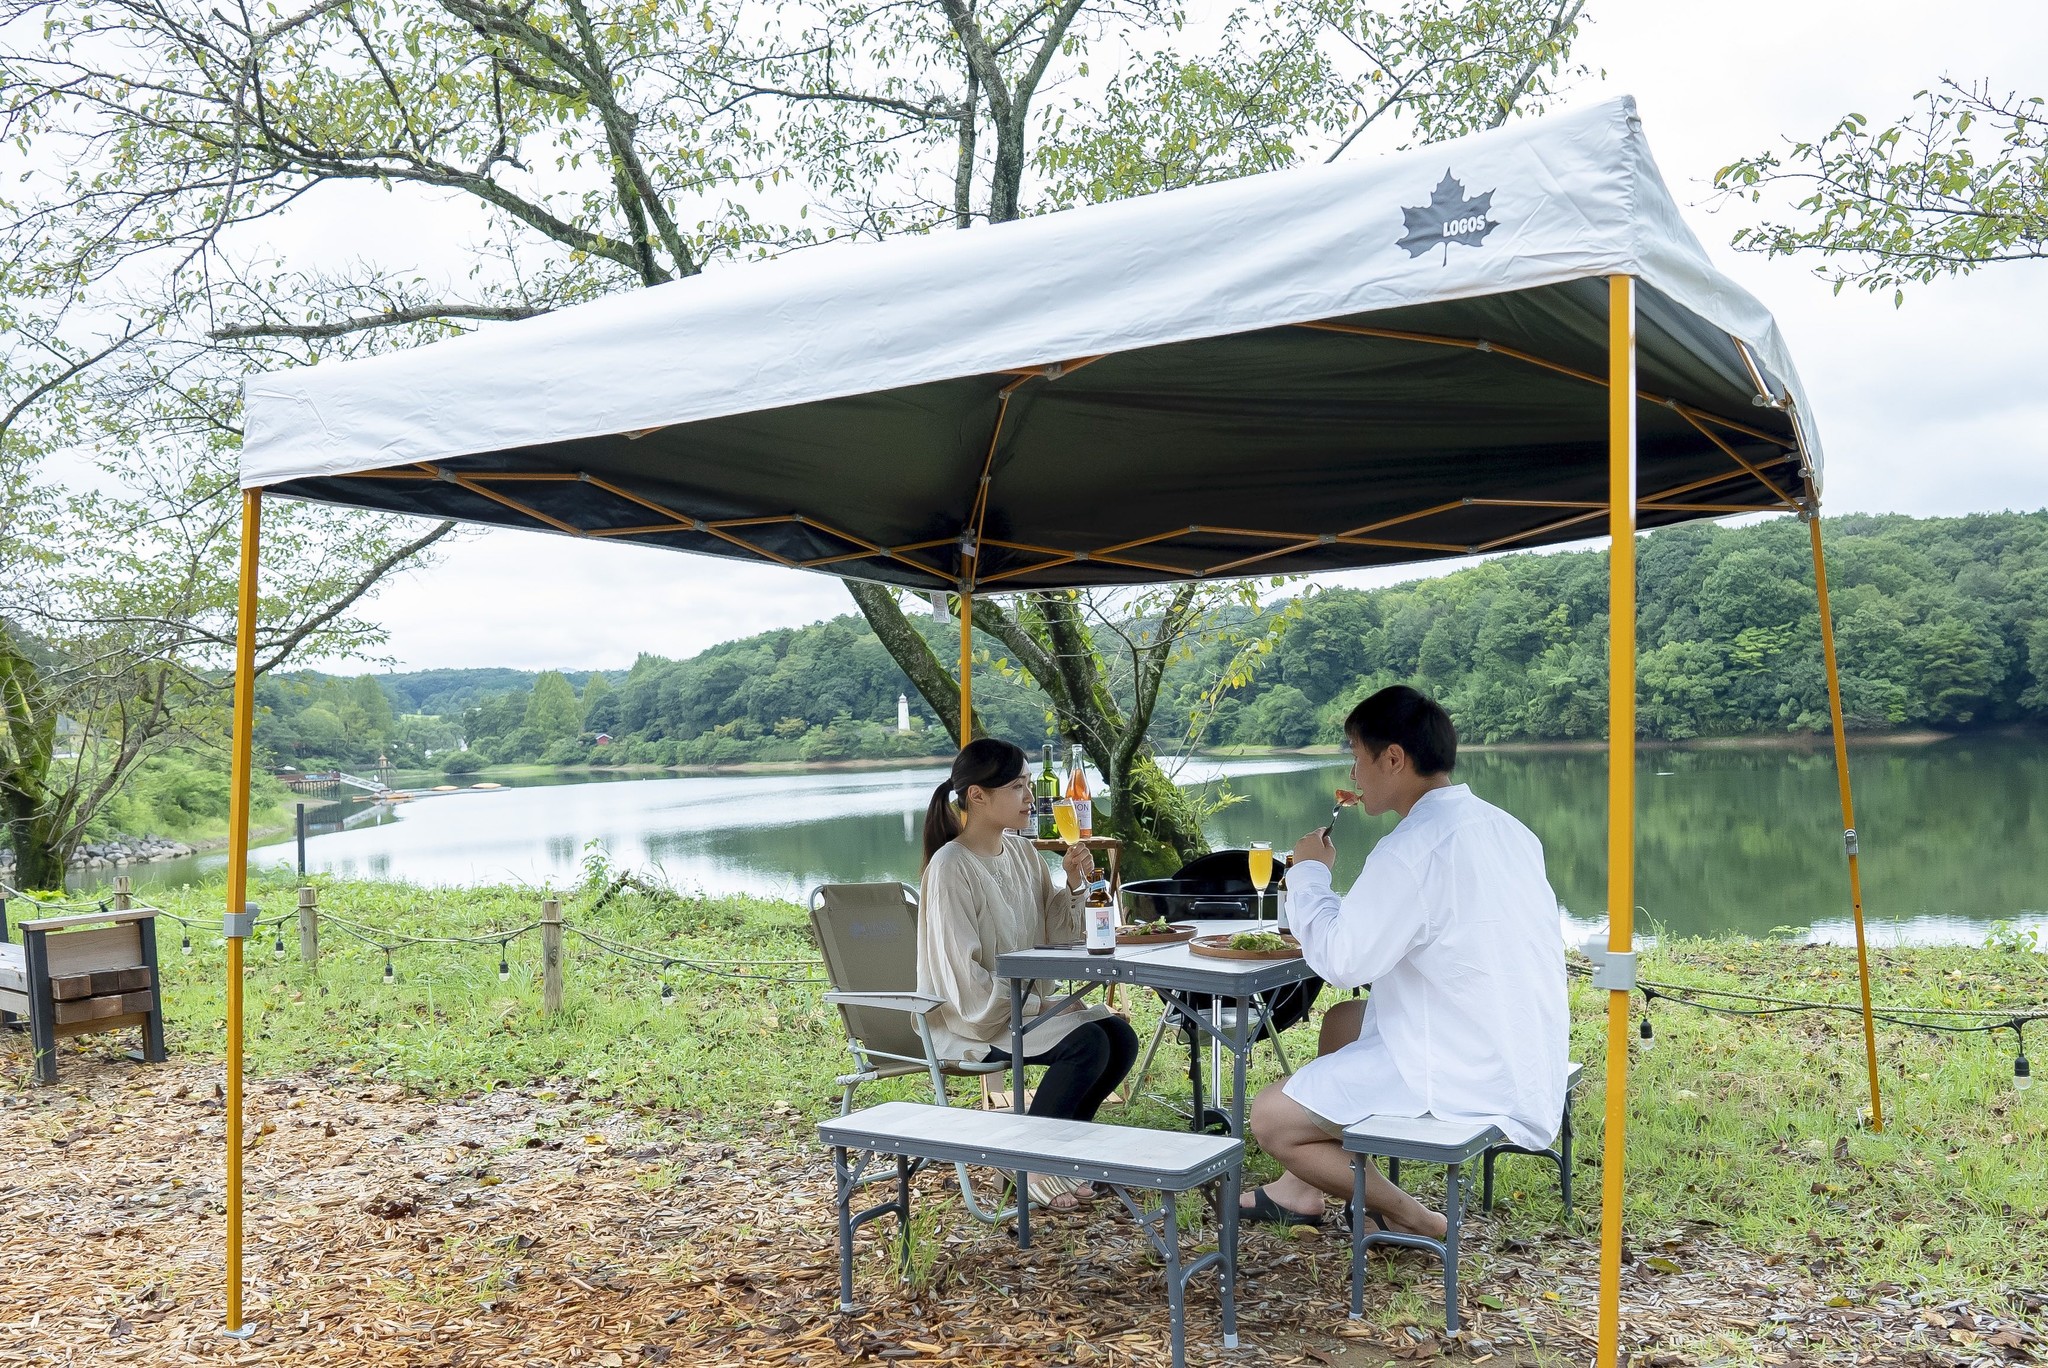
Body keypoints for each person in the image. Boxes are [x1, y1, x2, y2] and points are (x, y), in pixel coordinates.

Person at [1240, 686, 1567, 1234]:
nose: (1352, 770)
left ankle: (1410, 1215)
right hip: (1516, 1041)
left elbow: (1344, 964)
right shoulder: (1509, 830)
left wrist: (1308, 872)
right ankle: (1302, 1188)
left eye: (1355, 754)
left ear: (1392, 757)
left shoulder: (1411, 848)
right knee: (1343, 1022)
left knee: (1271, 1119)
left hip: (1462, 1061)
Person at [917, 738, 1141, 1210]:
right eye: (1018, 787)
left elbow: (1054, 933)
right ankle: (1030, 1161)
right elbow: (961, 978)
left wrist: (1074, 883)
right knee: (1089, 1043)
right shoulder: (950, 867)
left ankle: (1064, 1153)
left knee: (1119, 1035)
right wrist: (1042, 1004)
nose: (1031, 799)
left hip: (1023, 1009)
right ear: (977, 795)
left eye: (1029, 785)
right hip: (973, 1019)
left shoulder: (1021, 853)